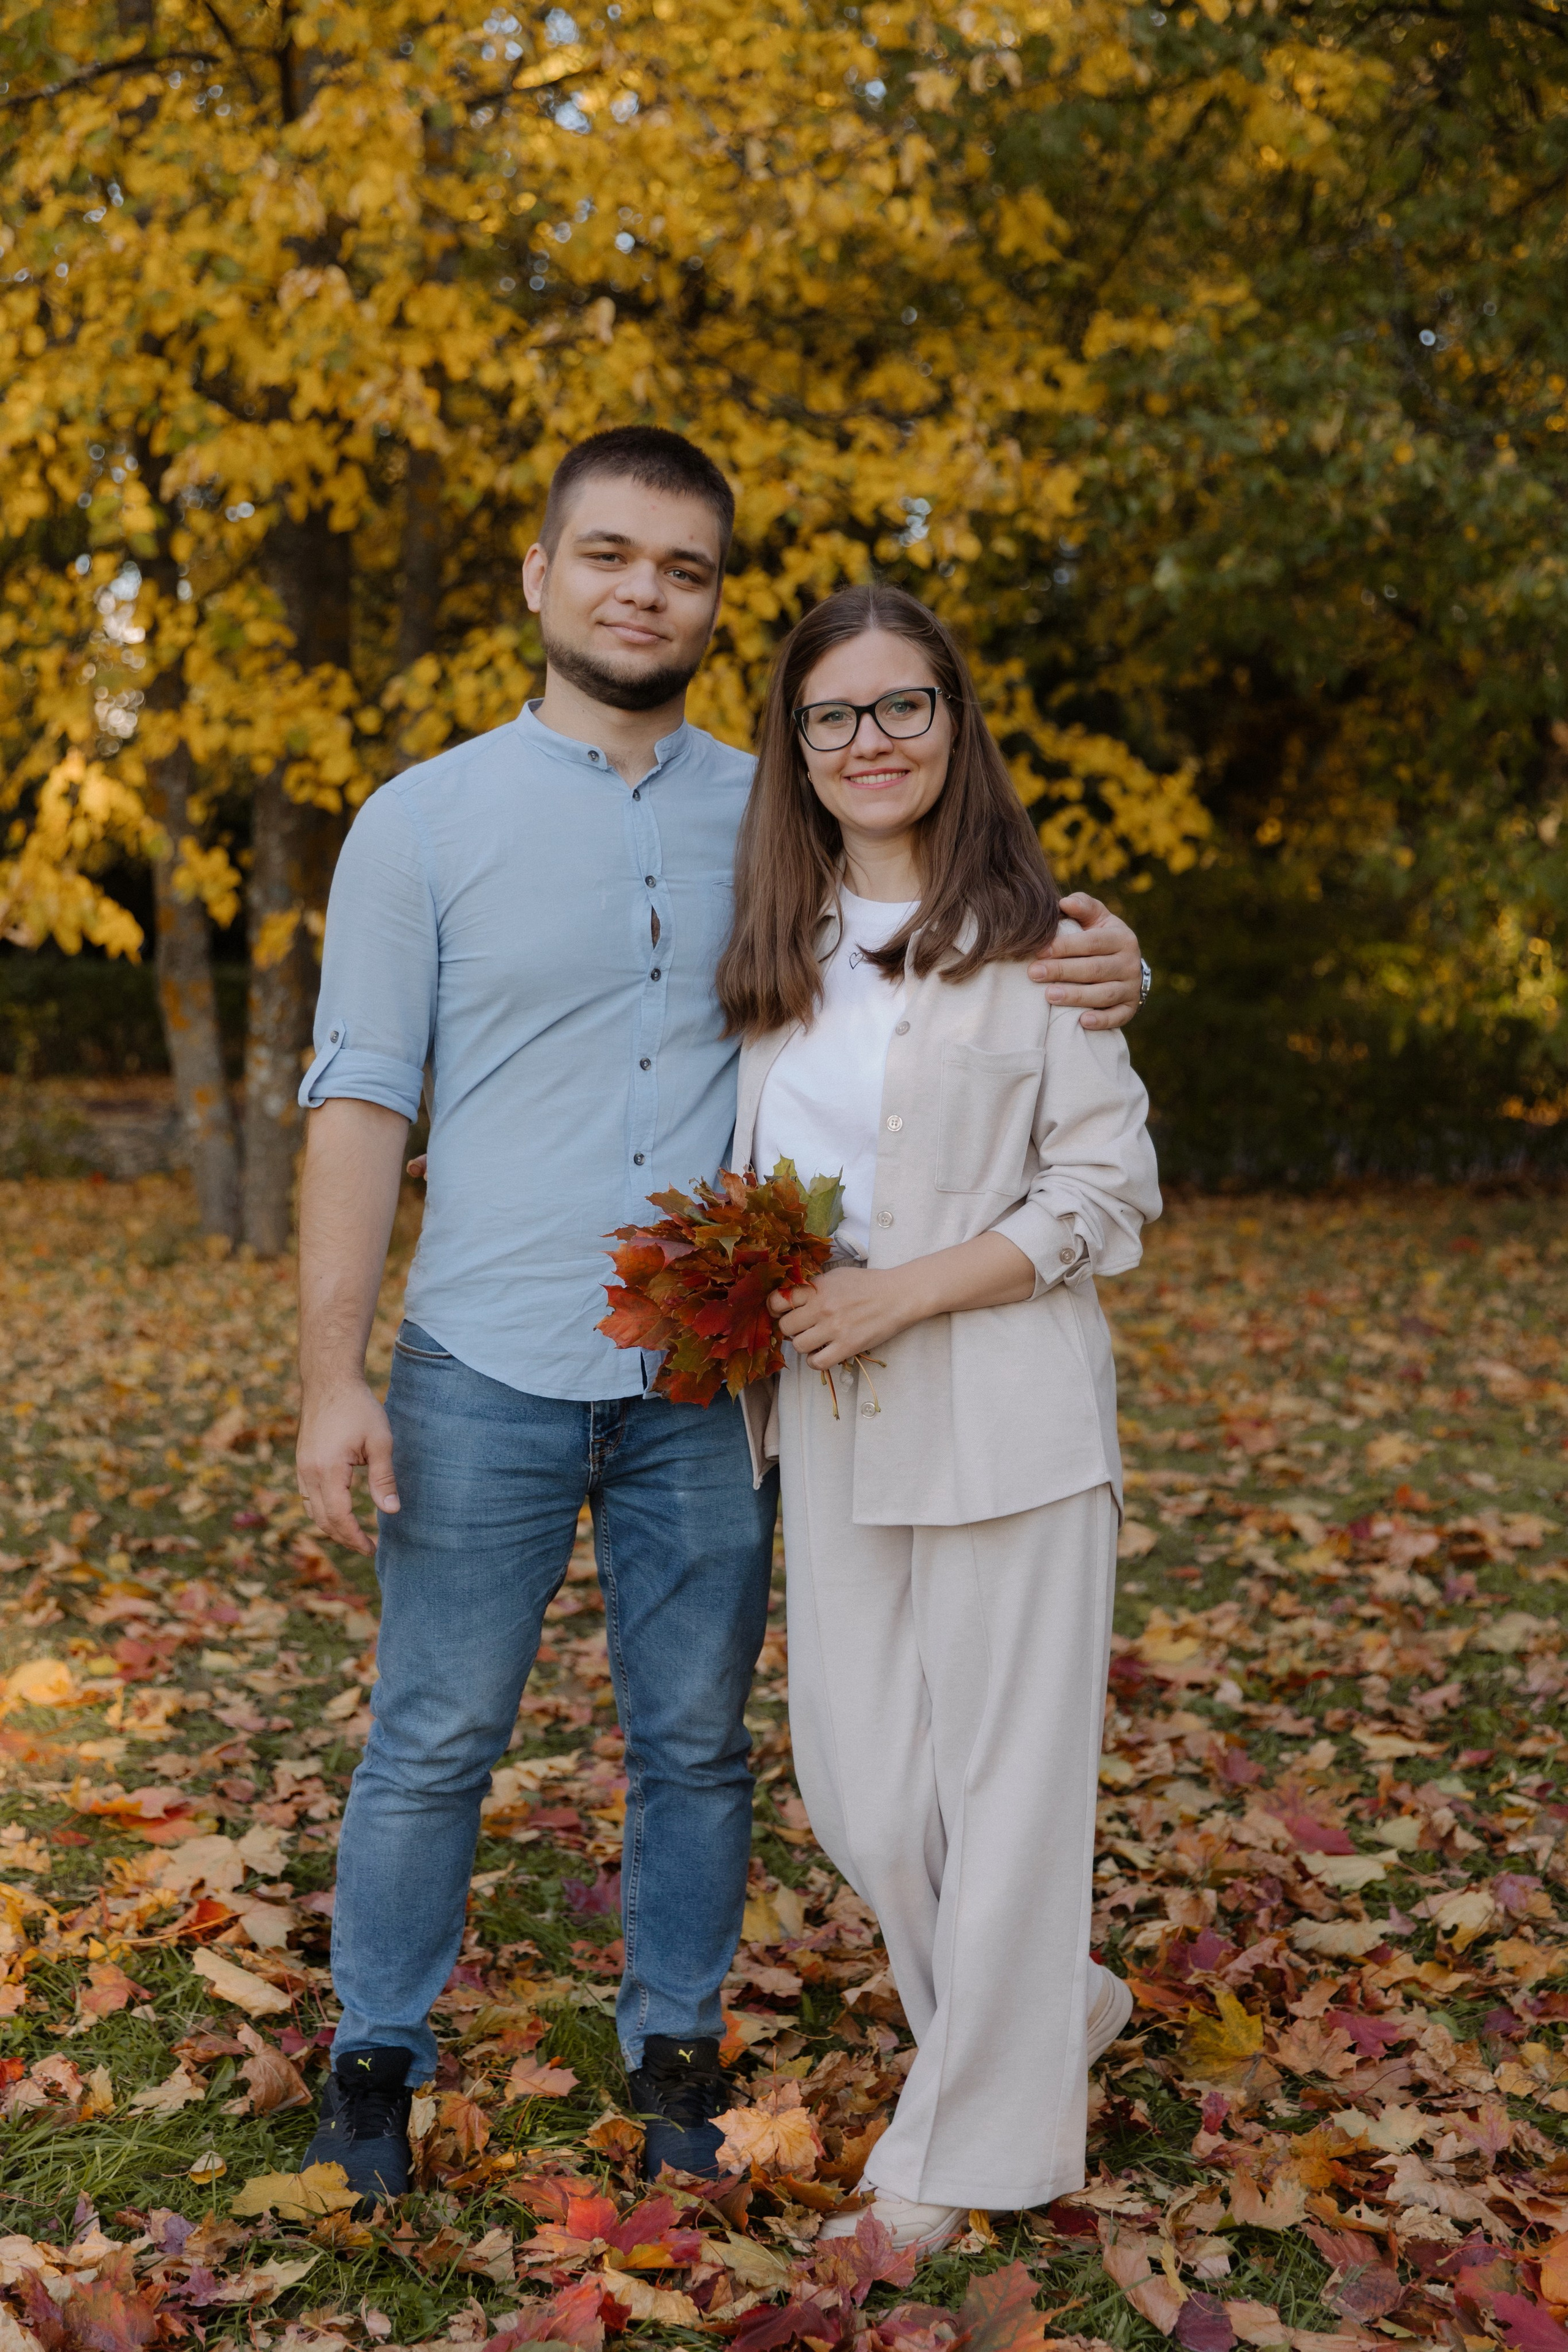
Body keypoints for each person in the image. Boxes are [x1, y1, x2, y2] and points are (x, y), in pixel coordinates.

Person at [292, 426, 1150, 2206]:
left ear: (713, 602)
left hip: (713, 1381)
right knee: (438, 1729)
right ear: (539, 575)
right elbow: (361, 1095)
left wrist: (1116, 957)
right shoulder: (420, 819)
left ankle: (678, 2040)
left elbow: (960, 955)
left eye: (682, 569)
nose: (642, 591)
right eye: (608, 556)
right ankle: (376, 2046)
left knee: (695, 1740)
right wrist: (331, 1371)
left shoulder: (775, 806)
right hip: (485, 1362)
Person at [718, 582, 1160, 2252]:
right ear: (801, 748)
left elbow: (1108, 1194)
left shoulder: (1050, 939)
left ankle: (957, 2161)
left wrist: (905, 1289)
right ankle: (1046, 2010)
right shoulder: (777, 951)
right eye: (835, 715)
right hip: (832, 1424)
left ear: (955, 726)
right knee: (861, 1790)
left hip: (1014, 1420)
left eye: (903, 706)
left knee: (1010, 1789)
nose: (871, 739)